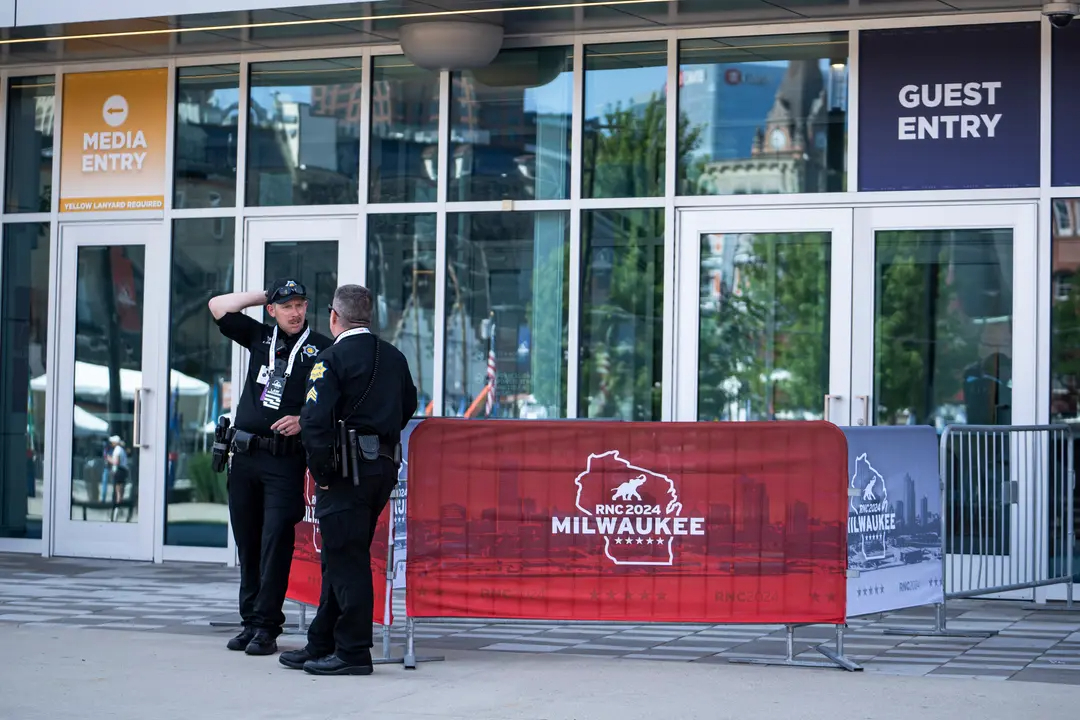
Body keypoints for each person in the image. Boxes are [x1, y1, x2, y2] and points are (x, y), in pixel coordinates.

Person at [279, 284, 417, 677]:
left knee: (347, 560)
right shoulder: (394, 357)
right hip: (381, 469)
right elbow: (408, 405)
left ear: (333, 317)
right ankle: (322, 642)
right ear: (369, 317)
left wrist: (322, 473)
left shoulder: (331, 358)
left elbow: (314, 420)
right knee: (341, 556)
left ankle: (354, 651)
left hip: (344, 472)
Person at [208, 278, 332, 656]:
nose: (295, 312)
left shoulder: (322, 348)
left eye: (300, 304)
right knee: (247, 543)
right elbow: (217, 306)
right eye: (287, 305)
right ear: (272, 310)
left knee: (274, 543)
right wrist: (267, 293)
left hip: (284, 460)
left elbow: (336, 400)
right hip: (244, 456)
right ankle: (250, 621)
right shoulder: (262, 338)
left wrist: (304, 419)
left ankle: (266, 627)